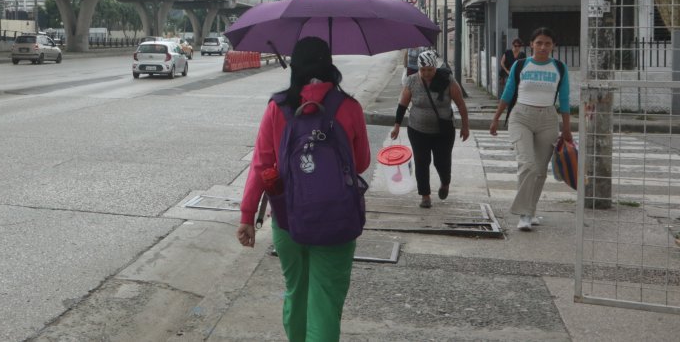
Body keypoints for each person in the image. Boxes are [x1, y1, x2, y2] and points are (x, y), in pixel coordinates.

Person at [236, 36, 371, 342]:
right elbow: (361, 163)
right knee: (324, 301)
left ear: (294, 67)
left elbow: (262, 164)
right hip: (338, 219)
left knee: (297, 292)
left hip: (288, 218)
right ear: (330, 67)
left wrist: (247, 216)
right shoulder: (349, 107)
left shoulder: (278, 107)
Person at [489, 27, 571, 232]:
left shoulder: (559, 68)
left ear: (553, 46)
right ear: (531, 44)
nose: (543, 47)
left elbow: (565, 100)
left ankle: (530, 211)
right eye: (539, 43)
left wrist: (567, 129)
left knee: (540, 171)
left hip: (548, 119)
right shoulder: (520, 65)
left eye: (548, 43)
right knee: (528, 165)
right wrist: (496, 118)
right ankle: (523, 214)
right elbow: (508, 94)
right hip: (521, 117)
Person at [390, 50, 470, 209]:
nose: (426, 73)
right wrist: (397, 126)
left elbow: (461, 104)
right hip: (417, 130)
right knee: (421, 162)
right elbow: (402, 104)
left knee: (442, 161)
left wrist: (465, 126)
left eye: (430, 69)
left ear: (435, 67)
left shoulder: (447, 80)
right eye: (423, 70)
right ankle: (425, 196)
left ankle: (445, 182)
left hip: (443, 131)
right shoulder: (412, 81)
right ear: (419, 68)